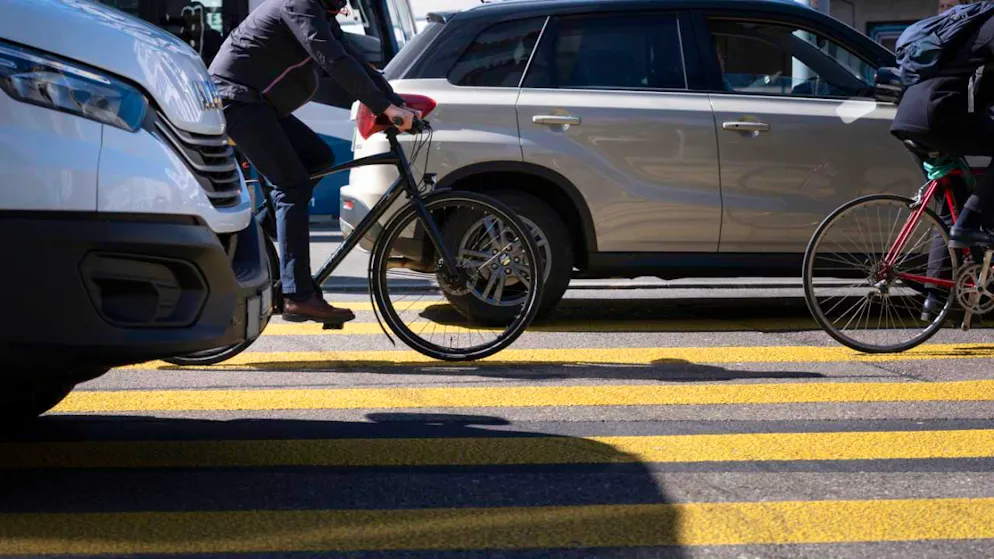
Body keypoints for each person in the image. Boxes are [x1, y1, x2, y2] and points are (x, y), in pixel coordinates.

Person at [208, 0, 418, 324]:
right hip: (238, 100)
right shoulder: (299, 5)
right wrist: (383, 108)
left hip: (258, 104)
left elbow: (355, 61)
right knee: (292, 187)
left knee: (317, 158)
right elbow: (332, 60)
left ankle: (255, 239)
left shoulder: (320, 13)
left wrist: (396, 103)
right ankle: (298, 295)